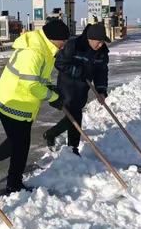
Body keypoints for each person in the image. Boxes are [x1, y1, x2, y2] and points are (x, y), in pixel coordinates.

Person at [0, 19, 70, 194]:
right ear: (54, 38)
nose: (64, 45)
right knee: (20, 145)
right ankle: (14, 185)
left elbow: (39, 78)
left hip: (21, 102)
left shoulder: (45, 48)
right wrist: (53, 97)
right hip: (13, 100)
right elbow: (31, 85)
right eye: (63, 41)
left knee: (17, 142)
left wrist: (50, 88)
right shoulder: (35, 52)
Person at [43, 22, 110, 155]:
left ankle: (51, 133)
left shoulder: (102, 52)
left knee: (72, 116)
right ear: (90, 39)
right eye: (99, 41)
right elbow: (60, 63)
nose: (101, 44)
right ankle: (72, 149)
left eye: (103, 42)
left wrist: (101, 91)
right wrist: (78, 71)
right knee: (75, 116)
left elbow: (101, 72)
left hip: (82, 88)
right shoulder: (74, 45)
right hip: (67, 86)